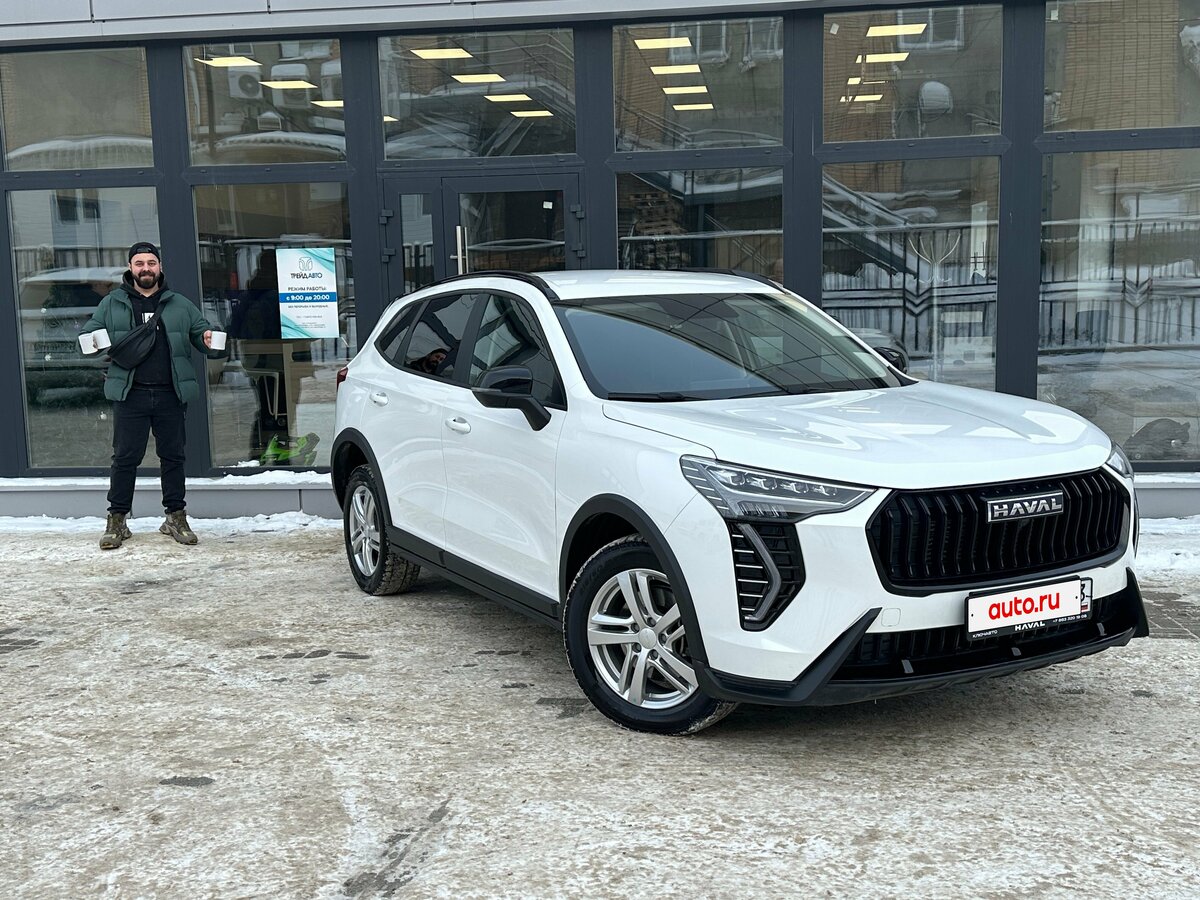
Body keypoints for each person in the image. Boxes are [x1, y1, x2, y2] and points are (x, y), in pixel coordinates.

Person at [80, 241, 218, 550]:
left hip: (170, 394)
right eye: (140, 263)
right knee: (125, 458)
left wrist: (208, 338)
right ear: (130, 268)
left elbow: (201, 333)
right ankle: (117, 520)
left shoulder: (179, 303)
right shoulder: (112, 303)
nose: (146, 268)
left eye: (151, 263)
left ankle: (175, 517)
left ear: (160, 267)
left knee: (173, 457)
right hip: (131, 395)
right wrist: (92, 341)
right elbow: (90, 335)